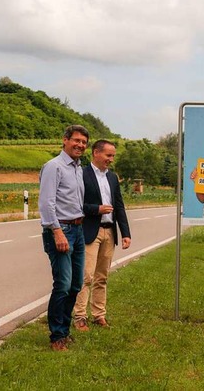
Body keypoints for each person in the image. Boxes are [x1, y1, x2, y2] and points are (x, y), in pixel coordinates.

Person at [38, 124, 89, 351]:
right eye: (76, 140)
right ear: (65, 140)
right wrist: (57, 231)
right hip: (61, 230)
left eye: (84, 142)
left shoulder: (78, 168)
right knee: (63, 284)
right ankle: (56, 336)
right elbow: (46, 203)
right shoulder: (54, 167)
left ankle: (64, 330)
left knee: (76, 284)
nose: (80, 145)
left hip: (77, 230)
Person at [73, 140, 131, 331]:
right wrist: (96, 209)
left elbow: (119, 205)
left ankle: (99, 315)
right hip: (90, 230)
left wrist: (125, 233)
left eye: (113, 156)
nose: (111, 159)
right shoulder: (82, 174)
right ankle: (80, 316)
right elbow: (75, 204)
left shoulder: (113, 177)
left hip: (109, 231)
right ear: (96, 153)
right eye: (108, 155)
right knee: (86, 276)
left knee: (102, 277)